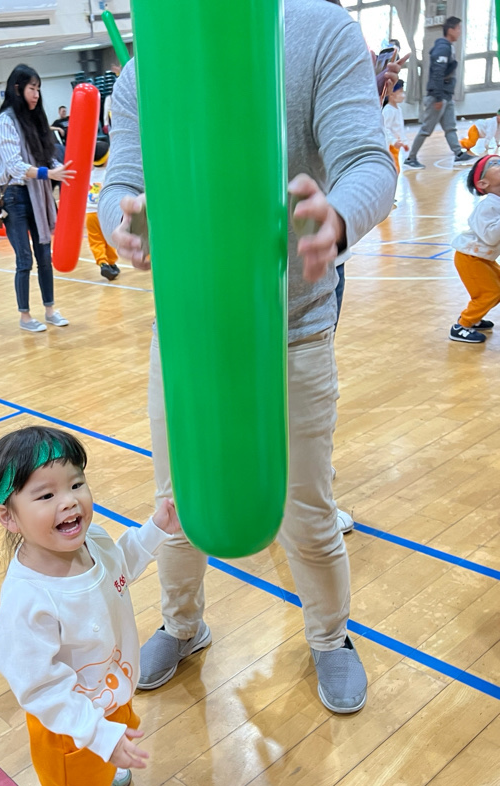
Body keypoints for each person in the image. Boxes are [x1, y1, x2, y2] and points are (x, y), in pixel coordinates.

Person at [99, 1, 397, 714]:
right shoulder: (148, 68)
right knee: (177, 501)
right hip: (187, 336)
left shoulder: (318, 30)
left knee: (306, 510)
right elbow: (120, 184)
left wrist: (337, 216)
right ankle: (182, 626)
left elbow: (368, 163)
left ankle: (330, 637)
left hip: (291, 328)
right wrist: (124, 225)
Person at [0, 425, 180, 786]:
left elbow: (119, 567)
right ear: (8, 517)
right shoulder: (28, 602)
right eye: (46, 495)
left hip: (111, 691)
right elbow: (41, 689)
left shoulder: (94, 542)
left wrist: (157, 530)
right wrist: (96, 735)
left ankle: (103, 765)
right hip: (68, 726)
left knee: (106, 754)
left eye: (76, 484)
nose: (69, 502)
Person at [0, 65, 75, 333]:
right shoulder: (5, 121)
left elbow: (46, 156)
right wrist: (48, 173)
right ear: (18, 89)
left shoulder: (35, 120)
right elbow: (15, 166)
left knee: (44, 255)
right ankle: (25, 316)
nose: (36, 94)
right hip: (14, 196)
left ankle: (50, 309)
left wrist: (61, 169)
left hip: (38, 194)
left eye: (38, 88)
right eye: (32, 88)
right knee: (24, 259)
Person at [404, 17, 473, 170]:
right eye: (458, 28)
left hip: (446, 96)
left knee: (450, 127)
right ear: (450, 30)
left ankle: (458, 154)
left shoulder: (448, 47)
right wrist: (438, 97)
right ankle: (410, 158)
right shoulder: (442, 48)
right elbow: (437, 73)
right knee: (426, 129)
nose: (460, 32)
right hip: (438, 97)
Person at [449, 157, 500, 344]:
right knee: (490, 293)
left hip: (482, 258)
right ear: (483, 183)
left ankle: (475, 318)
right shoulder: (487, 206)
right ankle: (462, 325)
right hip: (470, 258)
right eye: (495, 164)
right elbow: (491, 237)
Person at [86, 140, 120, 281]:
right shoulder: (110, 174)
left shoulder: (89, 174)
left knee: (96, 240)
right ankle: (111, 262)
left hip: (90, 213)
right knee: (109, 238)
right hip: (105, 212)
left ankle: (103, 263)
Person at [382, 81, 409, 173]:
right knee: (394, 169)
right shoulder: (388, 110)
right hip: (391, 146)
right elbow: (385, 128)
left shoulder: (398, 109)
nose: (402, 95)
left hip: (397, 146)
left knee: (397, 168)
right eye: (400, 92)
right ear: (391, 95)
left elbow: (399, 129)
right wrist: (393, 141)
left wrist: (404, 142)